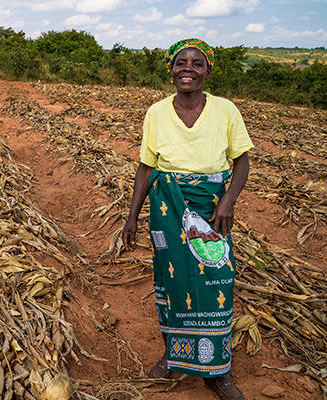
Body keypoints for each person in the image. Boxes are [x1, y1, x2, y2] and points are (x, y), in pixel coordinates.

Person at [122, 38, 253, 400]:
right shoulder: (156, 112)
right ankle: (175, 357)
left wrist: (228, 200)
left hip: (211, 205)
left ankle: (217, 370)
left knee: (217, 277)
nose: (188, 69)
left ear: (208, 71)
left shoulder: (226, 110)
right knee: (171, 279)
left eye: (197, 64)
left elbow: (241, 161)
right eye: (182, 62)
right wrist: (131, 218)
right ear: (171, 69)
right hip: (167, 204)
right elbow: (146, 167)